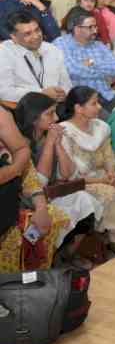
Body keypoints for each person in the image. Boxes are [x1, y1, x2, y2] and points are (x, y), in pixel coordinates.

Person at [15, 92, 103, 269]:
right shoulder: (21, 143)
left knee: (87, 203)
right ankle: (49, 260)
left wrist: (57, 145)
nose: (55, 117)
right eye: (49, 113)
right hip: (27, 201)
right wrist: (49, 144)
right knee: (63, 213)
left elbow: (67, 174)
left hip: (50, 194)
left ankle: (65, 255)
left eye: (55, 112)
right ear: (33, 118)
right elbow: (39, 181)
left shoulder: (48, 135)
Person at [59, 86, 115, 255]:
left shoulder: (100, 127)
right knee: (109, 191)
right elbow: (70, 175)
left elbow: (108, 155)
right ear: (78, 108)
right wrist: (103, 180)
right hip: (80, 182)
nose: (99, 107)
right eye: (94, 103)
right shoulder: (65, 132)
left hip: (102, 175)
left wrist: (110, 173)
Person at [0, 104, 69, 272]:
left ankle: (28, 287)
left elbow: (33, 177)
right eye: (49, 113)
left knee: (50, 216)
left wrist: (41, 207)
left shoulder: (17, 150)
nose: (56, 119)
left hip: (11, 215)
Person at [54, 8, 115, 113]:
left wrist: (92, 63)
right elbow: (73, 71)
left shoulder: (98, 45)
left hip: (107, 94)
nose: (95, 31)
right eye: (90, 27)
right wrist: (105, 73)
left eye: (95, 26)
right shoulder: (61, 43)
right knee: (111, 125)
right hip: (83, 102)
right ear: (77, 29)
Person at [0, 11, 71, 103]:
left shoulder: (52, 49)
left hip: (55, 107)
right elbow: (4, 92)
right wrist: (41, 93)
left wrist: (63, 94)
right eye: (28, 34)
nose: (36, 36)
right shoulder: (4, 53)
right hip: (23, 109)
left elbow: (66, 84)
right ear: (14, 37)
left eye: (37, 30)